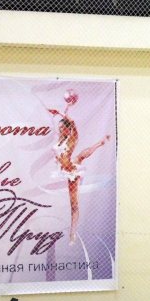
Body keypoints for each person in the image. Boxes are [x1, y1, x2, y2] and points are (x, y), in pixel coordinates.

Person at [46, 101, 110, 245]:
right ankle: (100, 144)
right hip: (63, 170)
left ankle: (72, 233)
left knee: (74, 205)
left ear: (68, 128)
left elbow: (72, 122)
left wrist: (60, 112)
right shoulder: (60, 141)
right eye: (59, 128)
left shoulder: (72, 138)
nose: (61, 130)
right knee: (79, 157)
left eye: (63, 127)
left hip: (71, 173)